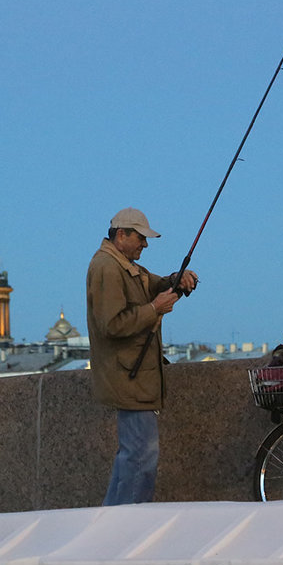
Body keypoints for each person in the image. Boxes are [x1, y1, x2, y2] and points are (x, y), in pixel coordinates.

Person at [86, 207, 197, 505]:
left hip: (134, 376)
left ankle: (113, 520)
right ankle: (131, 524)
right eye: (141, 238)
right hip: (127, 377)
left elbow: (153, 284)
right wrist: (154, 309)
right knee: (141, 456)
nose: (145, 245)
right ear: (121, 235)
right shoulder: (107, 267)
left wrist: (177, 279)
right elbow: (111, 324)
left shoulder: (122, 264)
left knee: (131, 457)